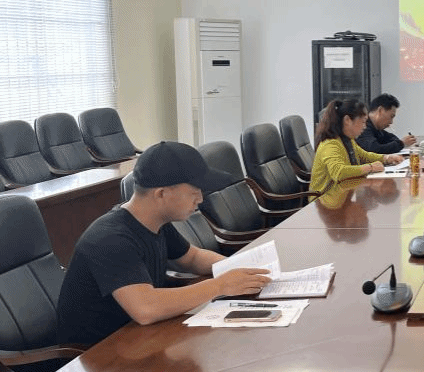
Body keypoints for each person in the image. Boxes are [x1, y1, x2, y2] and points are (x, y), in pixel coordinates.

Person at [57, 141, 273, 347]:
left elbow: (192, 258)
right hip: (97, 355)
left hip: (137, 338)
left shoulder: (155, 222)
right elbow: (146, 308)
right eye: (194, 192)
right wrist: (220, 285)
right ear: (161, 193)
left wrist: (239, 268)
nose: (200, 199)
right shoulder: (110, 239)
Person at [310, 98, 404, 193]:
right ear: (347, 120)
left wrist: (387, 158)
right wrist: (371, 167)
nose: (365, 126)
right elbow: (339, 172)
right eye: (363, 122)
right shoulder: (330, 144)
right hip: (325, 198)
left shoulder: (348, 140)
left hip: (343, 192)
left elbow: (364, 156)